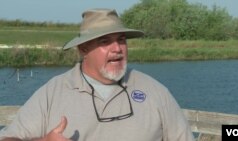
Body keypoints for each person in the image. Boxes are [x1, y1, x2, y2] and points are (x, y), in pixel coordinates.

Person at [0, 8, 194, 141]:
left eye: (121, 39)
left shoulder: (155, 92)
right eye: (105, 41)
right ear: (83, 49)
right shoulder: (52, 93)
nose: (117, 48)